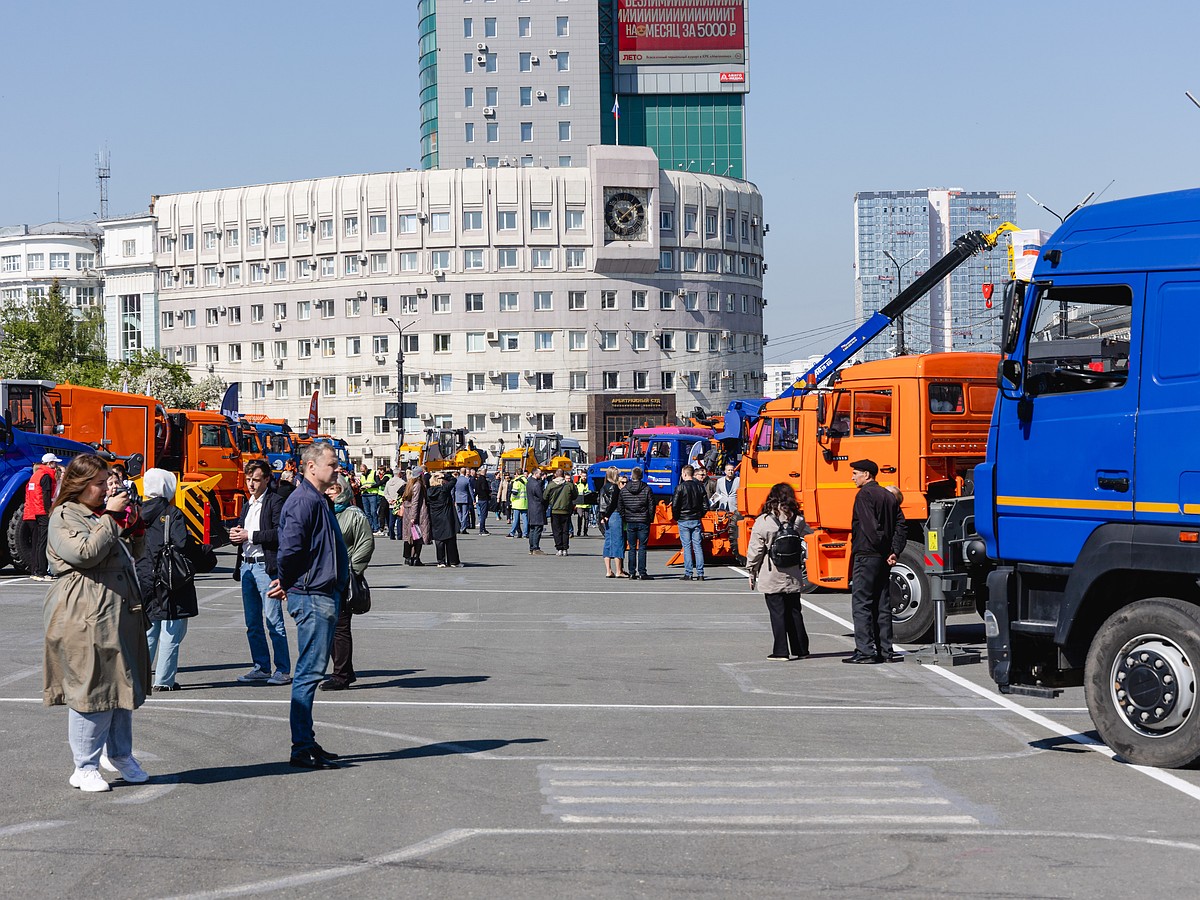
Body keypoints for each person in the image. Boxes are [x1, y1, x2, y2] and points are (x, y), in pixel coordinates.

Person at [43, 453, 151, 792]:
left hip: (117, 609)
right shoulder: (64, 515)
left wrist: (133, 527)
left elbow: (131, 554)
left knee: (121, 686)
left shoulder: (102, 514)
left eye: (110, 482)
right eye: (101, 483)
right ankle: (84, 765)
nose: (108, 488)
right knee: (90, 688)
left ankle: (119, 755)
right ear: (80, 485)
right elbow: (84, 554)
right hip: (83, 612)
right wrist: (112, 517)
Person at [268, 442, 350, 769]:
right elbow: (289, 550)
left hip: (321, 594)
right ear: (311, 467)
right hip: (312, 596)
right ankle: (301, 747)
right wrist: (287, 582)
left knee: (310, 672)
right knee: (308, 674)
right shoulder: (303, 501)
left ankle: (308, 742)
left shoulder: (318, 499)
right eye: (332, 464)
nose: (337, 469)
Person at [229, 460, 291, 686]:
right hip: (247, 565)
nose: (251, 484)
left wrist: (250, 535)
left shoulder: (276, 502)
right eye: (248, 480)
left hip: (266, 566)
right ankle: (261, 667)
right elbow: (244, 530)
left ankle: (282, 669)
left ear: (266, 479)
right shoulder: (248, 504)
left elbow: (280, 532)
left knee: (274, 620)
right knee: (252, 622)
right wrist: (236, 533)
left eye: (255, 479)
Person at [137, 469, 198, 692]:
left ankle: (141, 674)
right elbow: (181, 543)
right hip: (168, 577)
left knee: (150, 628)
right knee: (172, 629)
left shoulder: (137, 512)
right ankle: (163, 680)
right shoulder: (173, 513)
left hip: (144, 575)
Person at [844, 459, 907, 664]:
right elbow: (901, 527)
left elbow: (870, 527)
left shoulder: (864, 495)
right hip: (883, 557)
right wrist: (894, 551)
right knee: (882, 603)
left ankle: (865, 651)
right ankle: (886, 651)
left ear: (867, 475)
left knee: (861, 603)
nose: (853, 477)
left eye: (856, 473)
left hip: (867, 554)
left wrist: (882, 548)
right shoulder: (889, 496)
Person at [746, 483, 814, 660]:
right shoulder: (797, 519)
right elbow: (804, 533)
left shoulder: (764, 521)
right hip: (792, 572)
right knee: (794, 611)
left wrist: (751, 571)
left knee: (777, 612)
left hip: (772, 571)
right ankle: (801, 649)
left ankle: (781, 651)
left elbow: (756, 550)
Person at [320, 475, 376, 691]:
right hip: (326, 577)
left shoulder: (353, 514)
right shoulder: (326, 512)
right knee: (331, 626)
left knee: (340, 627)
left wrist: (351, 570)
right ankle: (345, 670)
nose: (328, 492)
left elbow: (366, 544)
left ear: (343, 490)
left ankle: (341, 675)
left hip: (343, 577)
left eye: (333, 489)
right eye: (327, 489)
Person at [23, 451, 60, 581]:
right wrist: (49, 511)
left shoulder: (36, 475)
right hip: (42, 512)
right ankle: (41, 572)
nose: (55, 466)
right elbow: (46, 495)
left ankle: (35, 571)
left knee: (36, 542)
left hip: (32, 511)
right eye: (54, 463)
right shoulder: (46, 476)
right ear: (49, 463)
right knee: (42, 542)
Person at [671, 465, 708, 581]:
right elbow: (706, 505)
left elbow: (675, 505)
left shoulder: (680, 487)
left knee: (687, 546)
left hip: (683, 519)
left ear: (685, 474)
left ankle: (689, 573)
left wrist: (676, 517)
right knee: (697, 546)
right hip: (695, 519)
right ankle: (701, 573)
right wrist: (700, 514)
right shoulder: (699, 487)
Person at [618, 467, 654, 579]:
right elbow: (651, 506)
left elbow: (620, 506)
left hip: (630, 521)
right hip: (643, 520)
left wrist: (625, 517)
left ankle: (632, 572)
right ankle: (642, 572)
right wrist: (650, 518)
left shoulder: (624, 490)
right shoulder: (647, 489)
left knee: (632, 548)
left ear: (631, 476)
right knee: (642, 547)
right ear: (641, 476)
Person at [426, 470, 462, 566]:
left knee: (439, 540)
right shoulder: (443, 490)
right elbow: (453, 480)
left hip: (435, 517)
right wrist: (444, 475)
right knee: (450, 539)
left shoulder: (428, 492)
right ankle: (453, 561)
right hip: (446, 516)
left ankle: (441, 561)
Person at [598, 468, 627, 578]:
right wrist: (607, 515)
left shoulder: (603, 487)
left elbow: (601, 503)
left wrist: (602, 516)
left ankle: (608, 570)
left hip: (605, 516)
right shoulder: (614, 488)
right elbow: (613, 503)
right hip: (614, 515)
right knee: (618, 542)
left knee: (608, 542)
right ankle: (619, 570)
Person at [401, 469, 431, 566]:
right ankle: (415, 558)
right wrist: (414, 516)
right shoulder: (418, 484)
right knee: (418, 536)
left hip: (408, 512)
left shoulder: (409, 484)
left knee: (410, 536)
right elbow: (416, 501)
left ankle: (409, 557)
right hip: (418, 513)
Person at [545, 469, 578, 556]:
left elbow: (545, 496)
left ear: (555, 475)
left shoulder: (551, 485)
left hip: (555, 510)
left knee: (556, 530)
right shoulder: (569, 485)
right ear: (563, 475)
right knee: (565, 530)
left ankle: (559, 548)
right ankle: (565, 548)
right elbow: (575, 496)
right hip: (566, 510)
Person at [526, 469, 547, 555]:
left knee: (532, 529)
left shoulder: (529, 482)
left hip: (531, 507)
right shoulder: (535, 484)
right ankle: (535, 548)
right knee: (538, 528)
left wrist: (541, 481)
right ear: (536, 474)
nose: (541, 475)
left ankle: (532, 548)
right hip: (537, 508)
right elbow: (541, 497)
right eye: (540, 474)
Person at [359, 463, 382, 533]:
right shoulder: (362, 476)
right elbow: (361, 485)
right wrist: (361, 488)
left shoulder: (373, 473)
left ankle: (376, 528)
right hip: (364, 495)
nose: (362, 473)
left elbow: (378, 483)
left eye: (363, 471)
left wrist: (371, 486)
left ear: (366, 469)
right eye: (361, 471)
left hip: (372, 494)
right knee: (367, 513)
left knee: (373, 512)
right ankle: (370, 528)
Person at [384, 466, 405, 541]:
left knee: (391, 521)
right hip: (399, 504)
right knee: (399, 520)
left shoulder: (388, 482)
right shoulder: (402, 482)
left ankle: (391, 535)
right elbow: (404, 493)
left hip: (391, 503)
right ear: (399, 474)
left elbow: (385, 493)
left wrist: (389, 500)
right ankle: (399, 535)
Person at [507, 471, 529, 538]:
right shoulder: (526, 481)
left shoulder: (517, 481)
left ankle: (512, 533)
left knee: (516, 519)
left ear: (517, 474)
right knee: (525, 519)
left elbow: (514, 492)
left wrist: (511, 500)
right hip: (525, 503)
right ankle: (525, 533)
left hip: (517, 503)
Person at [453, 468, 475, 534]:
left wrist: (453, 499)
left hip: (457, 498)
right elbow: (471, 491)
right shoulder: (467, 480)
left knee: (459, 513)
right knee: (465, 514)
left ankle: (459, 526)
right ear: (465, 472)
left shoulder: (456, 480)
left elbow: (453, 490)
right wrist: (473, 499)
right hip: (465, 498)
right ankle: (463, 527)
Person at [473, 468, 492, 535]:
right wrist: (489, 492)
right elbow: (484, 488)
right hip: (484, 498)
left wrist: (474, 498)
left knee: (482, 514)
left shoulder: (477, 480)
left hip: (479, 498)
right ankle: (482, 530)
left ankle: (483, 528)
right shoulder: (483, 480)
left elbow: (476, 490)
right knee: (483, 515)